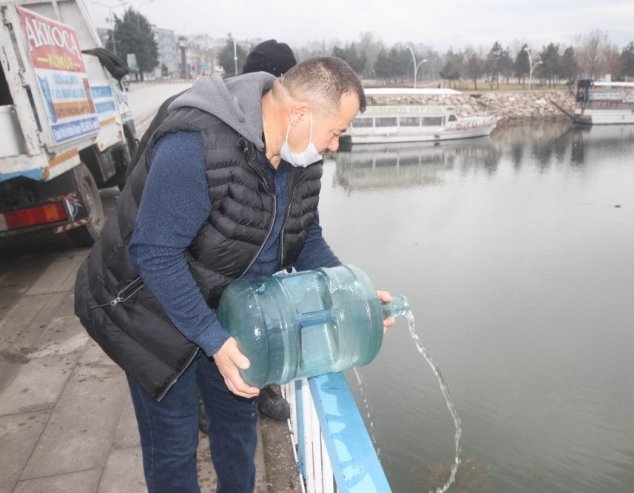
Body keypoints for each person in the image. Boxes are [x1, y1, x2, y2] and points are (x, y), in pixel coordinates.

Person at [74, 56, 395, 492]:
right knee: (173, 445)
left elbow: (306, 239)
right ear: (299, 113)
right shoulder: (197, 143)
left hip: (227, 305)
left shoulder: (303, 157)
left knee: (238, 429)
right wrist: (215, 341)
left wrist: (349, 295)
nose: (336, 145)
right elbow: (153, 252)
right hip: (148, 311)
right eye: (335, 132)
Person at [129, 39, 298, 423]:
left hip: (219, 291)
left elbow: (282, 227)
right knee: (174, 439)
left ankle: (238, 390)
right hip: (158, 296)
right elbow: (150, 239)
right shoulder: (196, 125)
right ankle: (202, 396)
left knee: (234, 407)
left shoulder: (281, 140)